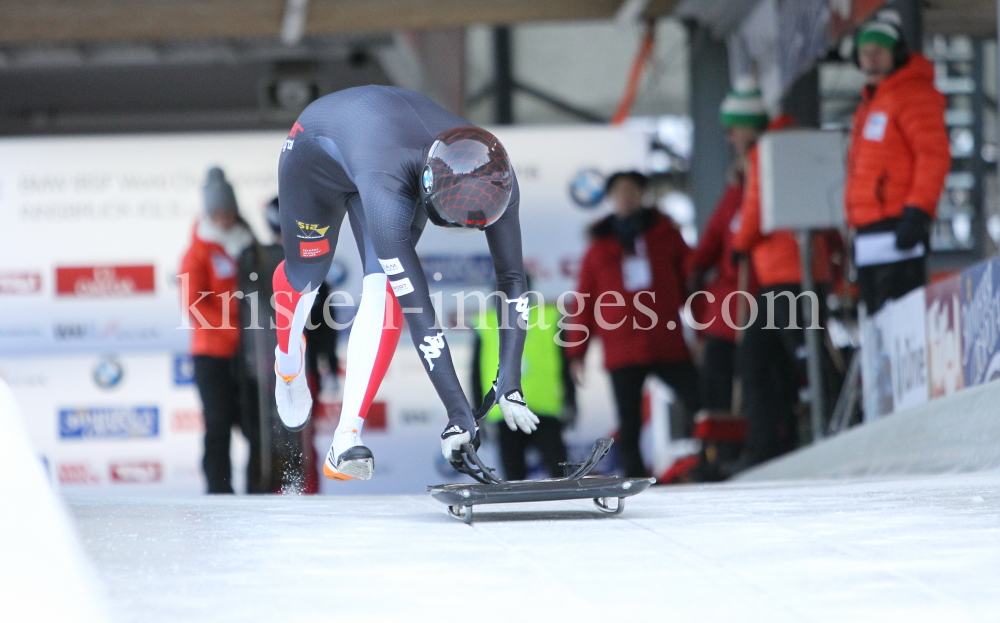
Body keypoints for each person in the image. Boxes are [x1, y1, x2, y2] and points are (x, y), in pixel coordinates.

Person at [270, 85, 538, 482]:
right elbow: (421, 312)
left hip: (378, 144)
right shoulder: (389, 188)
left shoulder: (495, 173)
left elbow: (513, 278)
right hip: (316, 155)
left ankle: (346, 438)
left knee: (385, 289)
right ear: (427, 192)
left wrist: (510, 381)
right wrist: (458, 413)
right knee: (307, 277)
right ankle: (288, 365)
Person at [565, 171, 700, 478]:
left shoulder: (668, 236)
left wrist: (704, 331)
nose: (626, 196)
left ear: (642, 195)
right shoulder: (598, 248)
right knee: (630, 422)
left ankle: (708, 458)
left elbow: (692, 282)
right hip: (621, 347)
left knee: (698, 399)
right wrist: (577, 352)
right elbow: (584, 301)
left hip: (667, 342)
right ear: (611, 198)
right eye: (619, 191)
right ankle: (636, 478)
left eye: (632, 190)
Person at [732, 112, 842, 469]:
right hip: (801, 268)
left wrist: (740, 243)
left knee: (798, 353)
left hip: (782, 273)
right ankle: (778, 438)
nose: (730, 138)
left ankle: (828, 422)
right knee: (774, 354)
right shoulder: (806, 148)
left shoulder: (765, 152)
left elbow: (756, 208)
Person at [846, 9, 949, 314]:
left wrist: (918, 211)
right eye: (865, 52)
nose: (871, 59)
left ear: (897, 53)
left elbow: (933, 154)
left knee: (902, 322)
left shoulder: (914, 94)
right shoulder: (870, 104)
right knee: (878, 325)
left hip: (899, 226)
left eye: (879, 51)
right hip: (869, 233)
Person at [237, 197, 339, 493]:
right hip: (274, 369)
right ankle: (288, 492)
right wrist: (327, 361)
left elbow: (323, 318)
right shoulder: (257, 259)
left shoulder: (305, 259)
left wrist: (327, 361)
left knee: (293, 435)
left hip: (278, 367)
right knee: (278, 435)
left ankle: (296, 491)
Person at [179, 167, 261, 494]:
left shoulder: (248, 243)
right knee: (218, 426)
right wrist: (235, 333)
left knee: (255, 426)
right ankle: (219, 494)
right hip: (213, 354)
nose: (225, 219)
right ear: (209, 214)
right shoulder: (196, 254)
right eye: (219, 213)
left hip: (249, 354)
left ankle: (259, 488)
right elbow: (196, 306)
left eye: (229, 212)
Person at [685, 77, 764, 411]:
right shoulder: (735, 186)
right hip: (728, 304)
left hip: (758, 297)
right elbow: (714, 238)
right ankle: (720, 445)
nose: (729, 138)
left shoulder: (761, 176)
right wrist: (695, 269)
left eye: (734, 130)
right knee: (716, 376)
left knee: (754, 376)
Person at [471, 294, 573, 481]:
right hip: (513, 412)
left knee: (559, 475)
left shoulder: (548, 317)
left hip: (539, 410)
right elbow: (476, 371)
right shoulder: (486, 321)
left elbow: (565, 362)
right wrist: (478, 415)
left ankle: (567, 507)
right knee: (515, 478)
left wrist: (571, 399)